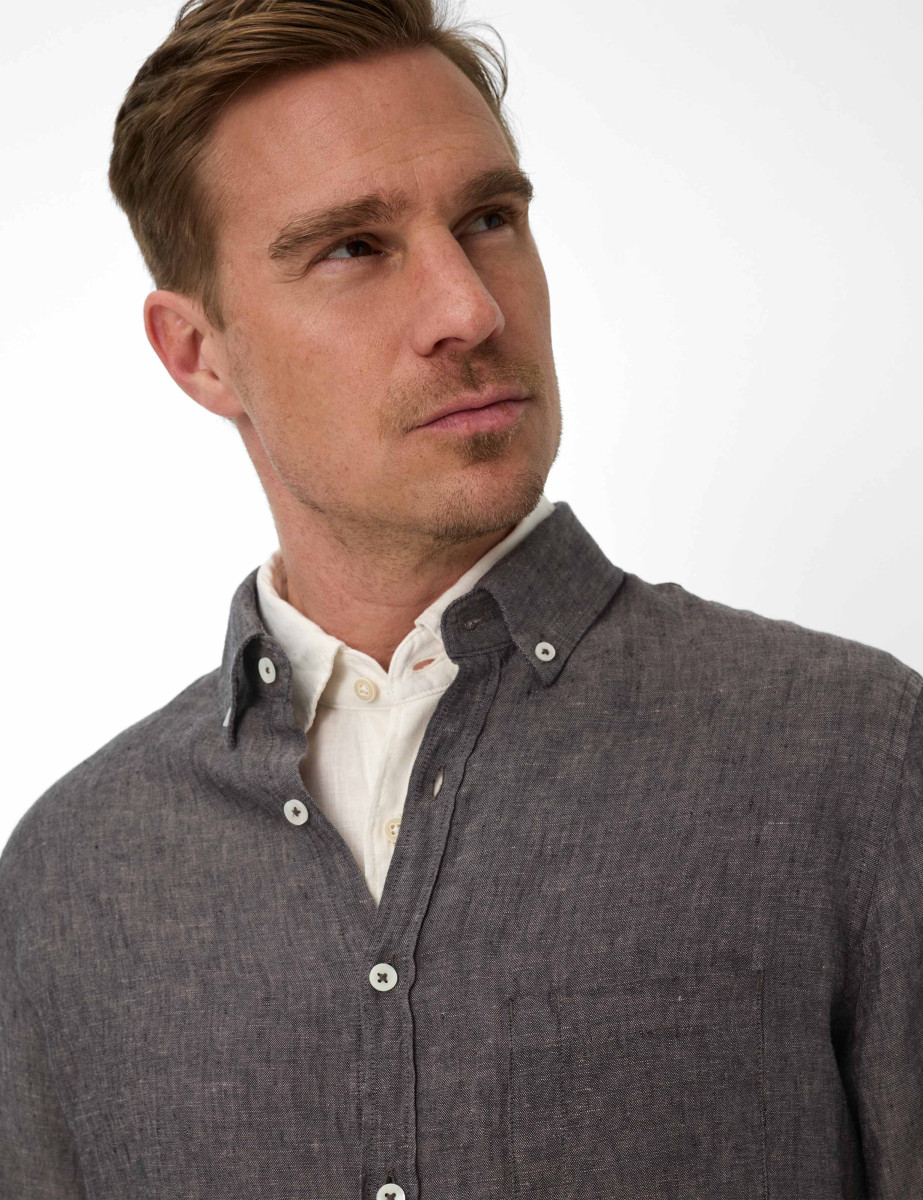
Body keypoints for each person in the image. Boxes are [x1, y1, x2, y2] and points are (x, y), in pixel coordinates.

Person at [1, 0, 920, 1195]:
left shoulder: (853, 759)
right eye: (352, 248)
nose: (469, 310)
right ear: (197, 353)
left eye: (488, 219)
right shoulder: (69, 881)